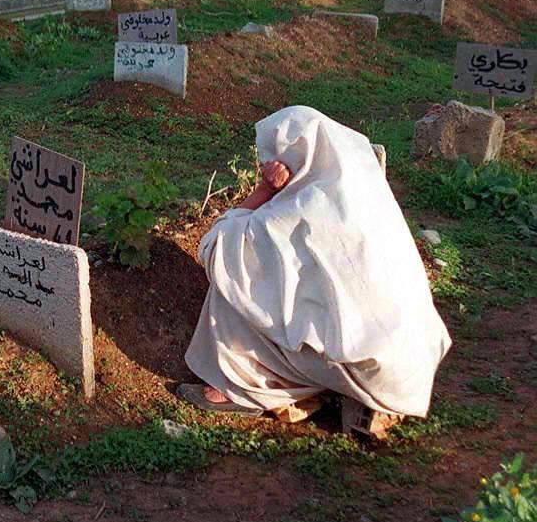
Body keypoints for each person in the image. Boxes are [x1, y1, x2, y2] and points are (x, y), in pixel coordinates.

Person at [178, 106, 451, 422]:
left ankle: (242, 387)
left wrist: (265, 191)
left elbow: (213, 246)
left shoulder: (293, 216)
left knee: (233, 281)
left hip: (362, 369)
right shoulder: (366, 201)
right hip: (407, 368)